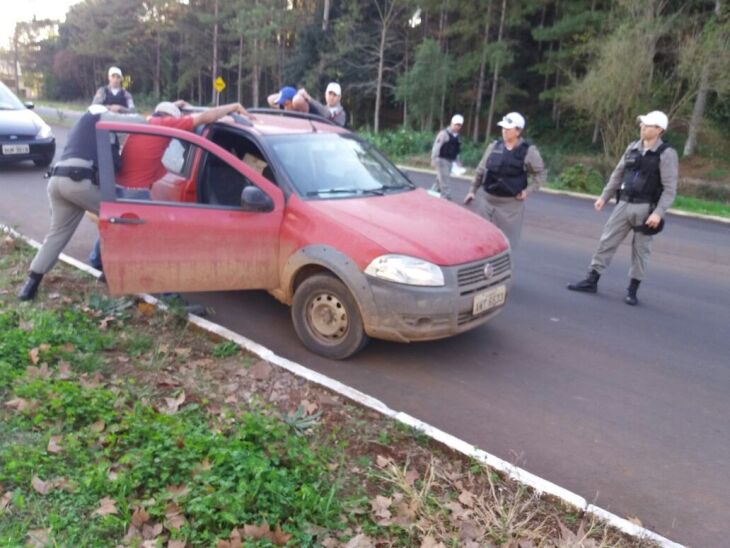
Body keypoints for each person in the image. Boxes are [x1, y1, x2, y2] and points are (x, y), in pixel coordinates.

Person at [567, 110, 678, 306]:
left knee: (641, 250)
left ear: (659, 130)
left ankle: (632, 290)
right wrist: (604, 197)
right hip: (624, 203)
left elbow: (670, 188)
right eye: (642, 124)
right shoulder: (632, 148)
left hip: (646, 208)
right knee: (606, 240)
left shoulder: (666, 154)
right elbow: (617, 175)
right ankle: (592, 280)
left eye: (648, 125)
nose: (642, 127)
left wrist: (658, 213)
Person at [17, 105, 121, 301]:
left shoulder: (79, 127)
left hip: (56, 183)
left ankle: (30, 285)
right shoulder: (103, 126)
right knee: (119, 220)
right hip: (78, 183)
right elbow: (116, 165)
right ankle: (109, 274)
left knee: (56, 235)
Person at [115, 100, 254, 192]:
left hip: (121, 185)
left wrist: (179, 105)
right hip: (135, 192)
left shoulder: (148, 122)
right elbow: (205, 117)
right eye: (177, 119)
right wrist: (234, 106)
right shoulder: (166, 124)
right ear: (170, 117)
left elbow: (165, 110)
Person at [464, 112, 546, 249]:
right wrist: (472, 190)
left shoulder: (528, 151)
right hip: (487, 202)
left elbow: (540, 174)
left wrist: (528, 191)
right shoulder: (494, 147)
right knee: (480, 243)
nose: (504, 131)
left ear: (518, 131)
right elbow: (481, 170)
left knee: (505, 246)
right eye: (503, 128)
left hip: (510, 207)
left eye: (508, 129)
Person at [88, 66, 137, 269]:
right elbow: (94, 108)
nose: (116, 79)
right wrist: (110, 109)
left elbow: (133, 111)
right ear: (109, 77)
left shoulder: (126, 94)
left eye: (119, 76)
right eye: (113, 76)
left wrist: (120, 110)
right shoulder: (102, 91)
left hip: (122, 137)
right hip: (105, 138)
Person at [430, 114, 464, 200]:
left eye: (459, 125)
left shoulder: (457, 137)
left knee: (440, 179)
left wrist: (458, 161)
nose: (457, 127)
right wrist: (433, 159)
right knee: (444, 178)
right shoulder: (444, 134)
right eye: (456, 124)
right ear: (452, 123)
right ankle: (446, 196)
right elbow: (436, 146)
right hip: (441, 159)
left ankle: (432, 193)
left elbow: (456, 150)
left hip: (450, 160)